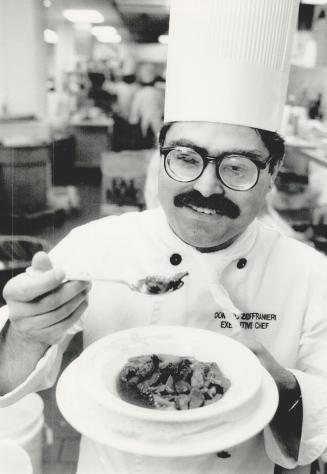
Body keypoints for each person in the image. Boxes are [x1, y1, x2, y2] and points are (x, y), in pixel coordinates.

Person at [1, 1, 327, 473]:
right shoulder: (94, 248)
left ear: (273, 173)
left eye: (237, 167)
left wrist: (274, 382)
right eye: (187, 158)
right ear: (161, 155)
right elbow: (7, 383)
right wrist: (25, 332)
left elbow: (319, 421)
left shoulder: (311, 276)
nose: (207, 187)